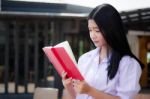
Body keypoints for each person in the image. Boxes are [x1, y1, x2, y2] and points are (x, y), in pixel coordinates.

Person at [62, 4, 144, 99]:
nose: (93, 35)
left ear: (111, 29)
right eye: (90, 30)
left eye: (97, 30)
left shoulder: (128, 64)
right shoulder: (84, 59)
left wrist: (90, 91)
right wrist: (68, 86)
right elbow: (79, 96)